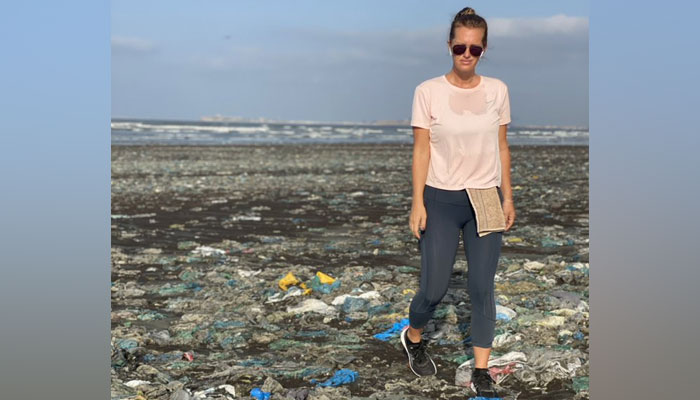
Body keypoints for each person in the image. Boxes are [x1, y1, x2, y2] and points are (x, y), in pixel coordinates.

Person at [399, 6, 516, 398]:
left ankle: (481, 370)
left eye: (475, 49)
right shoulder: (427, 91)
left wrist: (508, 196)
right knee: (434, 289)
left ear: (484, 50)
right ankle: (414, 337)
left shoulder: (497, 90)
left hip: (485, 197)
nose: (467, 54)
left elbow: (502, 147)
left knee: (482, 286)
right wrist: (417, 202)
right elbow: (420, 151)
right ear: (449, 46)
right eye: (460, 47)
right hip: (440, 198)